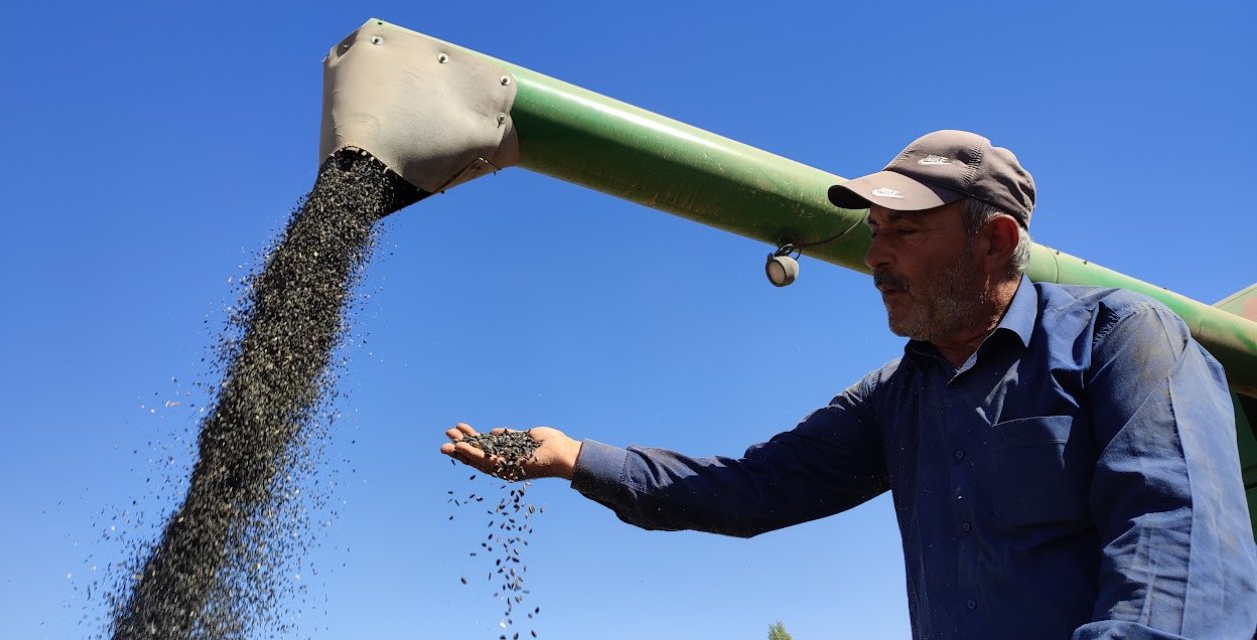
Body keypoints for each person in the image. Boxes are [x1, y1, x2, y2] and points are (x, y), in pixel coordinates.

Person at [441, 130, 1257, 639]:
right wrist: (575, 457)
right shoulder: (897, 401)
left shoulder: (1125, 341)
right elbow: (752, 489)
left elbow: (1174, 564)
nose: (874, 257)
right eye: (874, 233)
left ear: (994, 240)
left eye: (905, 231)